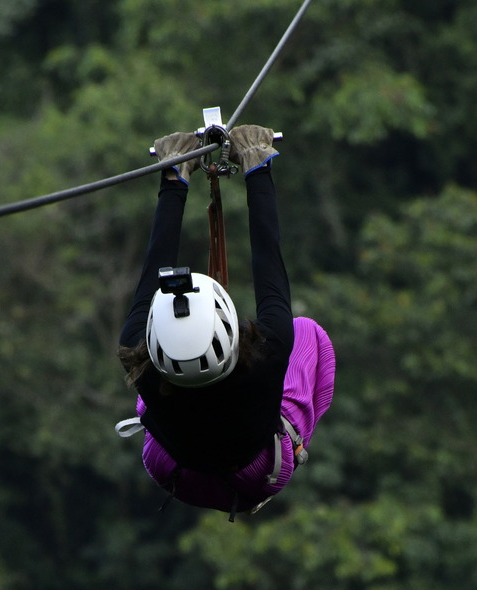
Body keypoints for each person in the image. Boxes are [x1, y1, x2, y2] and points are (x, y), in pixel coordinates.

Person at [116, 125, 336, 519]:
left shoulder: (137, 354)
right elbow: (270, 265)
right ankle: (296, 443)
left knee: (140, 374)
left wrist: (174, 176)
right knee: (309, 333)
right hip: (257, 475)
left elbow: (151, 272)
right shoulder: (269, 357)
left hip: (176, 471)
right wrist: (256, 163)